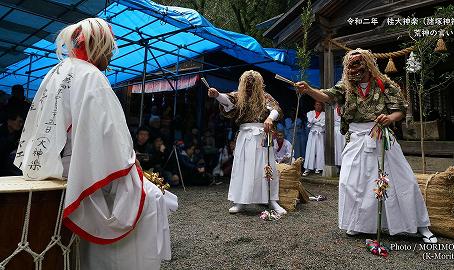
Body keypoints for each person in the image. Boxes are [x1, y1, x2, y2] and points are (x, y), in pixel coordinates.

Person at [13, 18, 178, 269]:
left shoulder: (56, 71)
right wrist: (133, 169)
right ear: (99, 46)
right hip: (84, 174)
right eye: (110, 48)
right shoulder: (91, 76)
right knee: (152, 201)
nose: (111, 56)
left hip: (53, 167)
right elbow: (111, 143)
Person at [295, 48, 436, 243]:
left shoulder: (384, 84)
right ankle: (358, 224)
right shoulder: (345, 86)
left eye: (357, 65)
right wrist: (309, 89)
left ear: (368, 64)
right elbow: (327, 96)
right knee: (350, 183)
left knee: (402, 180)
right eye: (350, 66)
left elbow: (399, 111)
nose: (353, 70)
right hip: (356, 138)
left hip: (380, 136)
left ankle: (419, 224)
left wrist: (389, 118)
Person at [207, 70, 286, 215]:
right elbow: (228, 100)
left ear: (258, 84)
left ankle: (272, 200)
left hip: (263, 135)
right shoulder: (239, 96)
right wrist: (217, 95)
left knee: (268, 166)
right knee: (243, 167)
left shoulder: (265, 97)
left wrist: (269, 118)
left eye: (253, 83)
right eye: (247, 83)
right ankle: (240, 201)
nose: (250, 86)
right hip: (245, 135)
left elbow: (276, 109)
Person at [303, 101, 326, 176]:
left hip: (320, 134)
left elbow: (323, 124)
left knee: (319, 151)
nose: (318, 106)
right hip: (312, 134)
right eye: (317, 105)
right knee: (310, 150)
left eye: (320, 105)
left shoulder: (324, 114)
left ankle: (318, 168)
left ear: (322, 106)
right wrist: (318, 122)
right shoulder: (310, 113)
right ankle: (308, 168)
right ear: (314, 105)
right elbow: (310, 120)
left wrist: (314, 121)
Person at [0, 110, 24, 176]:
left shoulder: (17, 134)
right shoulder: (2, 133)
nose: (20, 124)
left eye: (22, 122)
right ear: (9, 121)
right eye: (19, 121)